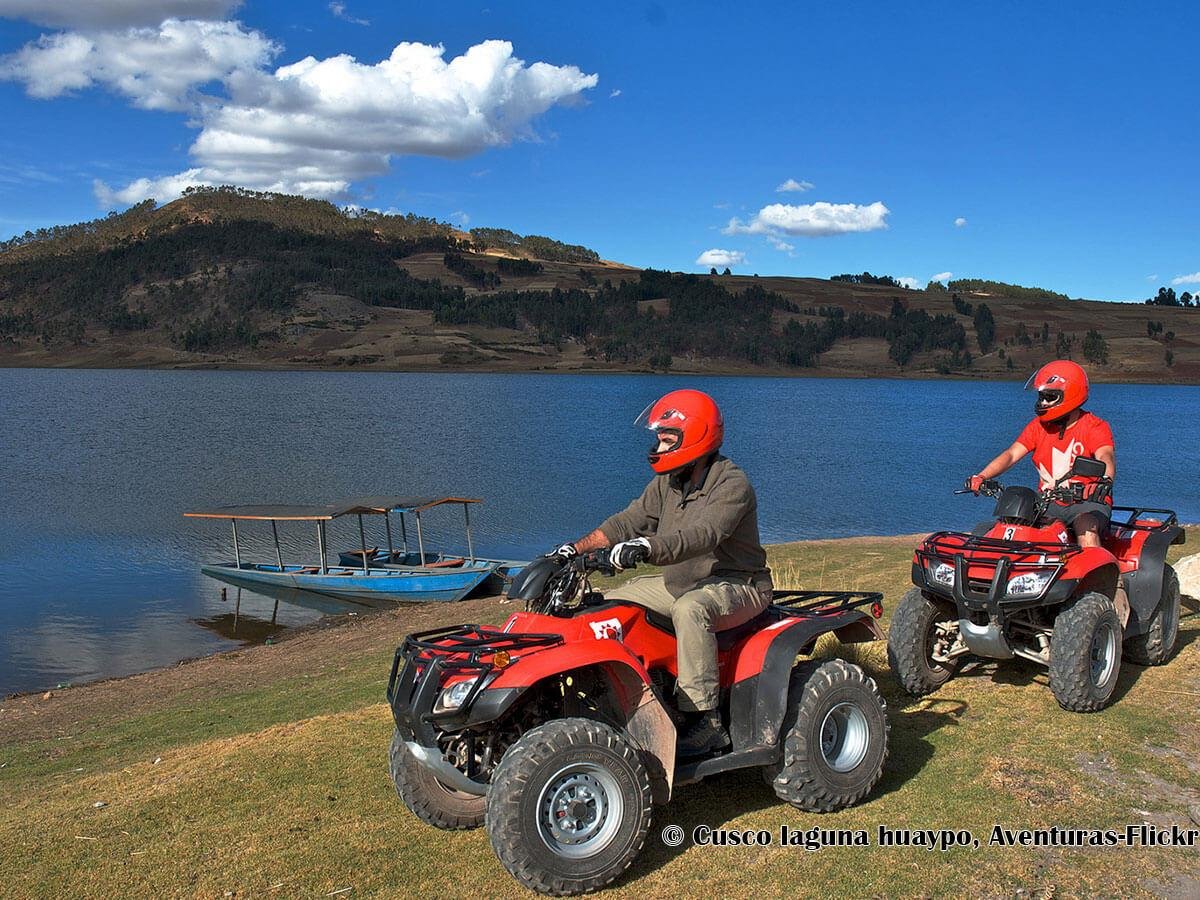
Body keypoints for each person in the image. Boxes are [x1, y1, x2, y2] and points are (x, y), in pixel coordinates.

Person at [552, 389, 773, 757]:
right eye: (659, 437)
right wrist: (573, 549)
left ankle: (705, 720)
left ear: (697, 436)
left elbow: (704, 536)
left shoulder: (732, 484)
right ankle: (624, 691)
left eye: (668, 438)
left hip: (739, 584)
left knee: (691, 610)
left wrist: (647, 547)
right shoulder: (668, 482)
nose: (660, 444)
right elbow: (628, 521)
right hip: (682, 581)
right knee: (611, 605)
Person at [965, 360, 1124, 620]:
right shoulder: (1038, 427)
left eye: (1050, 397)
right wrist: (982, 476)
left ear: (1070, 395)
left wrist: (1104, 479)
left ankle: (1098, 603)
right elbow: (1011, 454)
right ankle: (1008, 598)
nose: (1043, 403)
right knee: (1008, 531)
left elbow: (1106, 455)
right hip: (1049, 501)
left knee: (1086, 531)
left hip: (1087, 501)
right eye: (1042, 396)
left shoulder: (1094, 426)